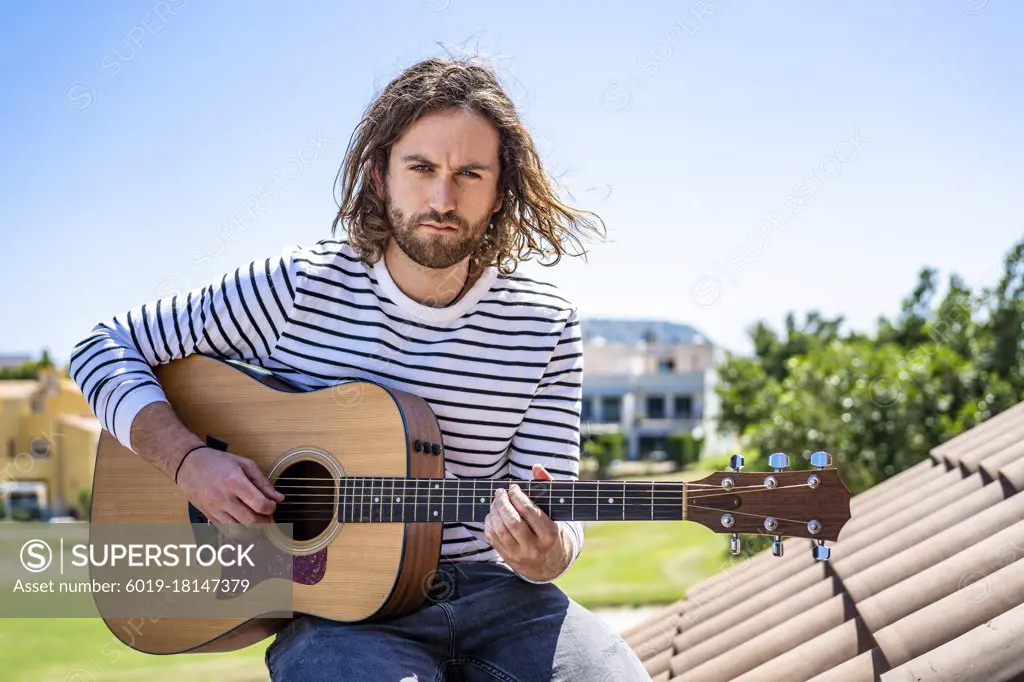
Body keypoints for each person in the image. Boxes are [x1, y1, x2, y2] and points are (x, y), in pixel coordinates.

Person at [69, 56, 650, 681]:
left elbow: (554, 510)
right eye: (421, 167)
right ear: (380, 174)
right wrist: (187, 460)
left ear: (500, 188)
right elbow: (102, 346)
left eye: (470, 174)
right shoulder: (296, 287)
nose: (442, 197)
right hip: (337, 618)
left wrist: (546, 552)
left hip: (499, 599)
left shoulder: (545, 325)